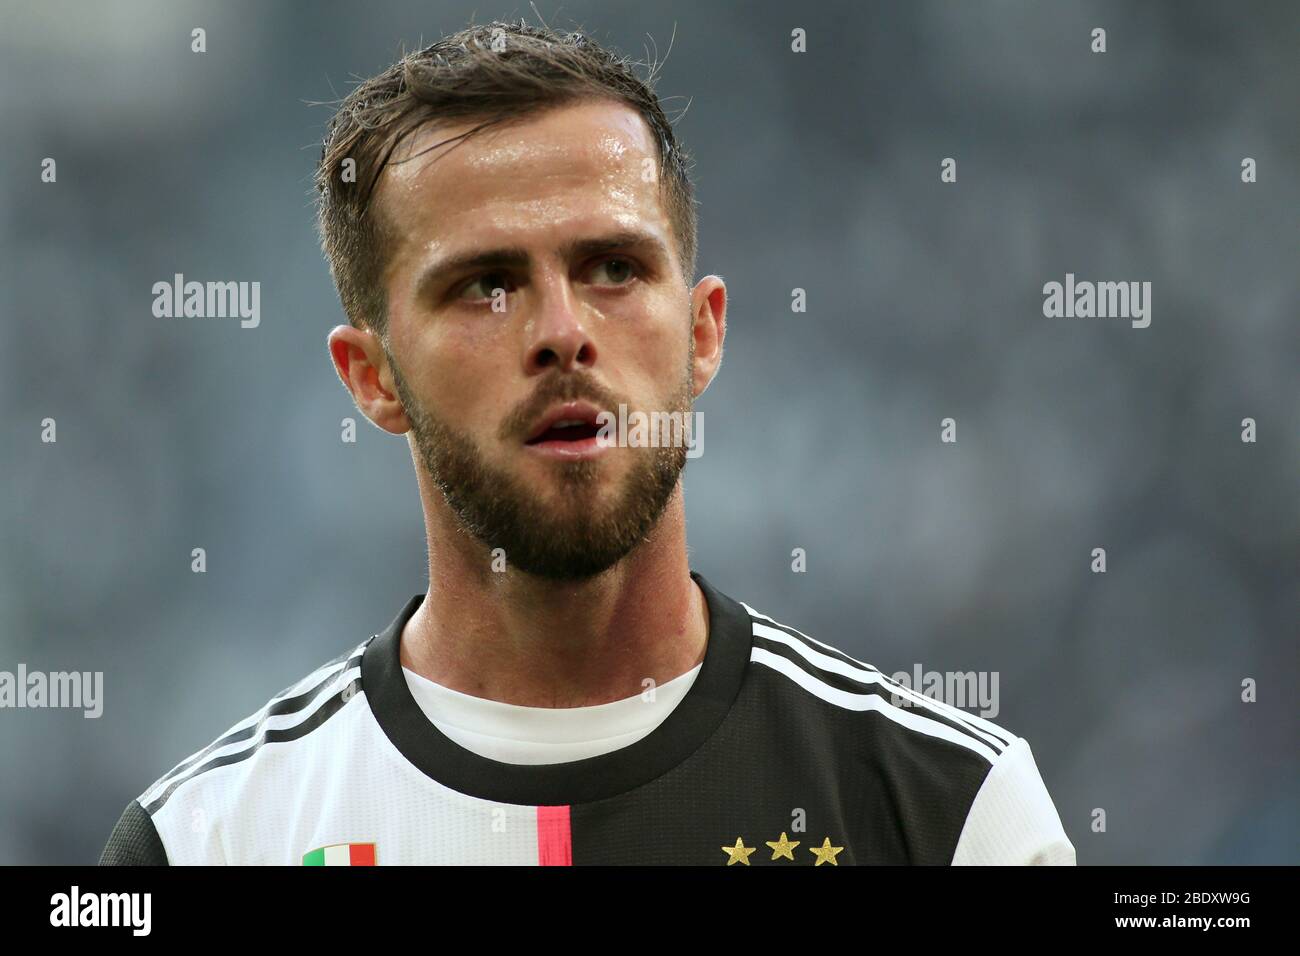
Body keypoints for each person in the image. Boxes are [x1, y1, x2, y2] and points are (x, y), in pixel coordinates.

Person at [100, 20, 1074, 866]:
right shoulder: (204, 842)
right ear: (372, 376)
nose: (561, 330)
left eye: (612, 266)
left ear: (701, 334)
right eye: (485, 283)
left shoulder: (949, 816)